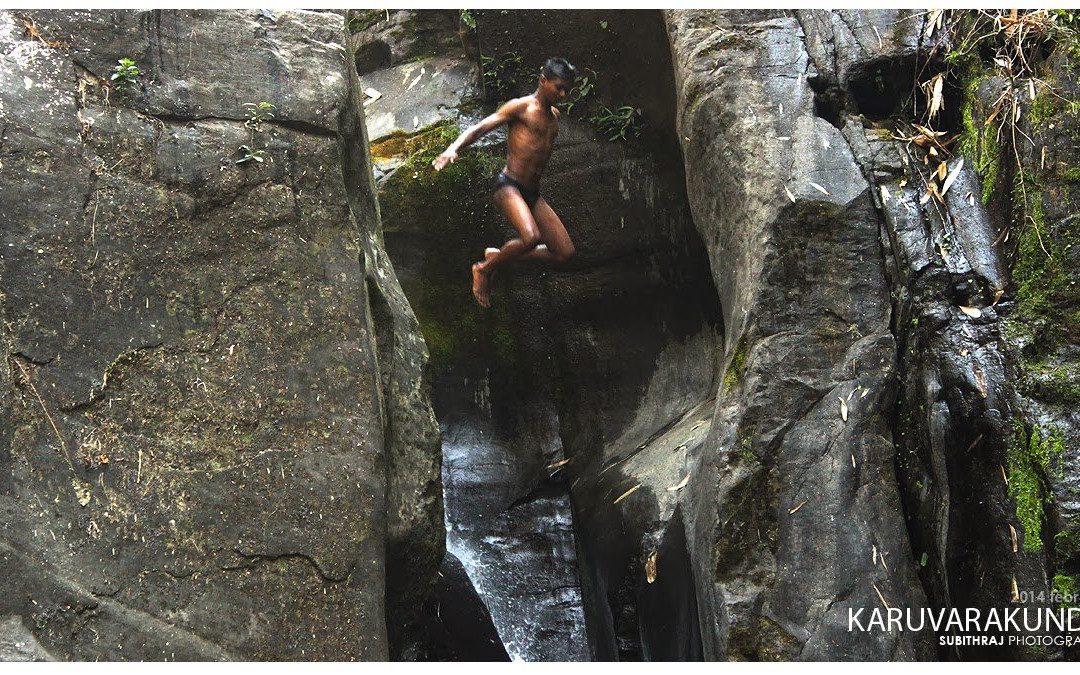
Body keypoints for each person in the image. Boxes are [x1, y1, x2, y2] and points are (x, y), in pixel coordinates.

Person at [433, 57, 578, 308]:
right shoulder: (520, 108)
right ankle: (484, 269)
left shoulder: (554, 118)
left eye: (567, 89)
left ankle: (499, 257)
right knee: (531, 237)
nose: (563, 94)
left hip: (532, 193)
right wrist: (453, 149)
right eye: (559, 87)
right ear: (543, 81)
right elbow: (480, 128)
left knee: (564, 252)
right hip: (508, 186)